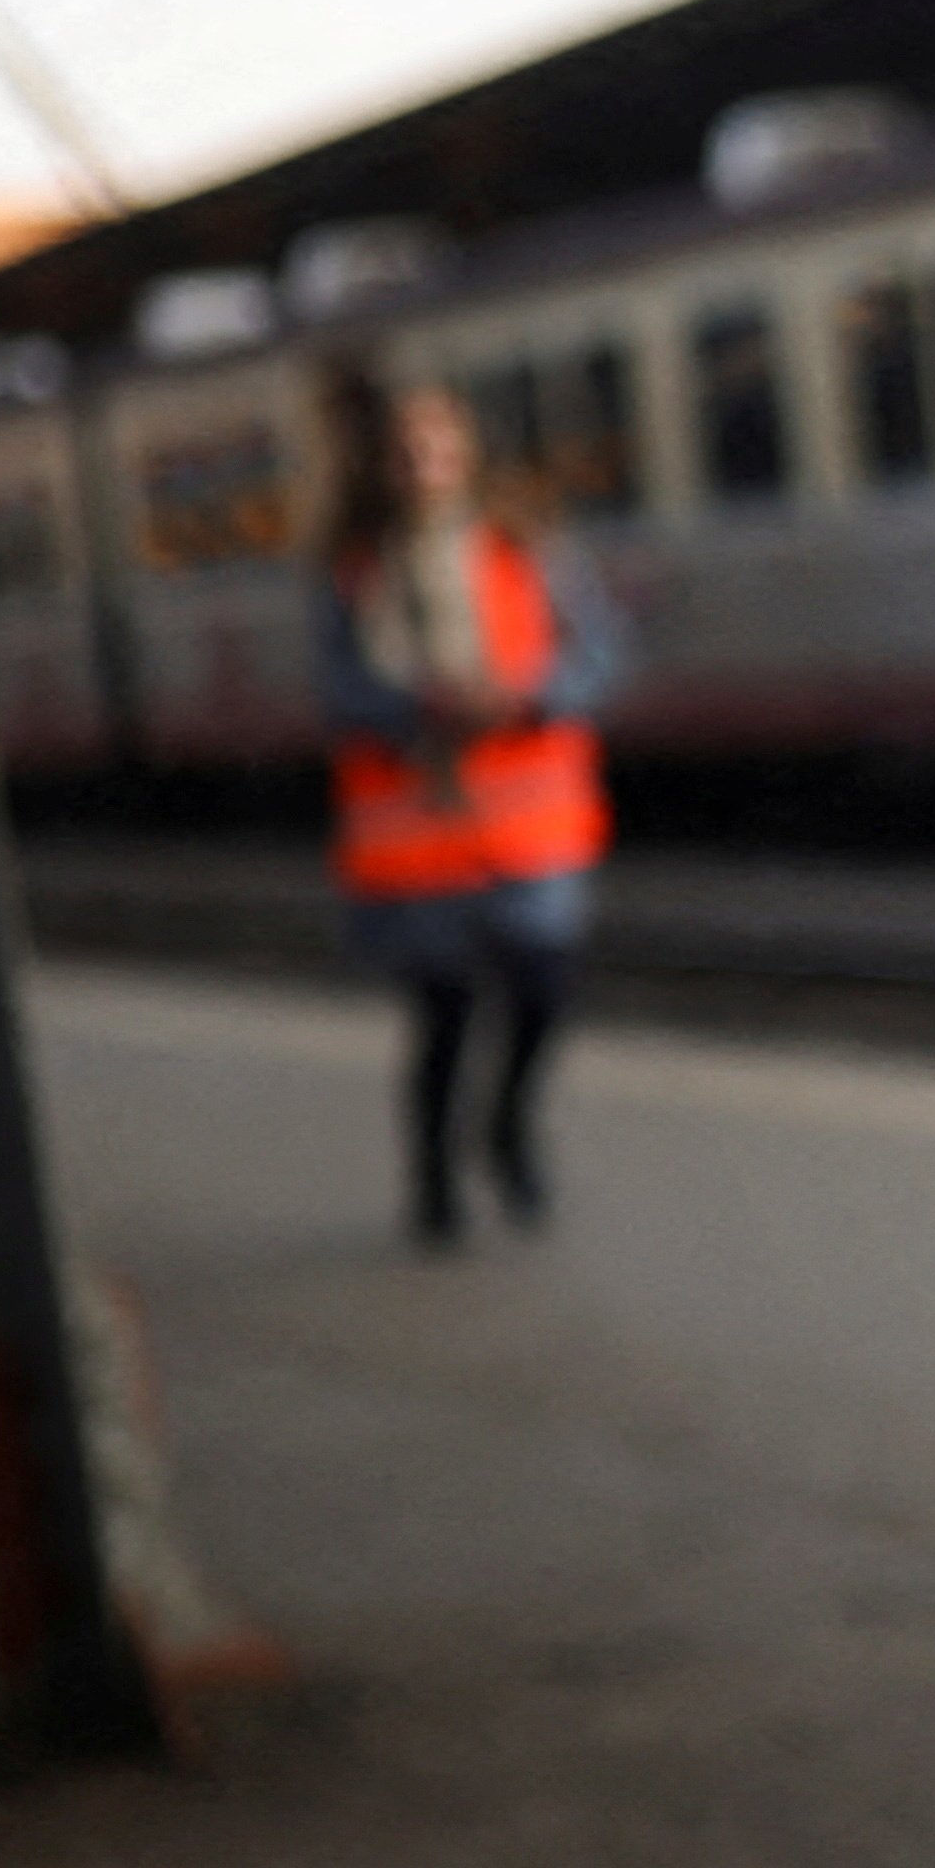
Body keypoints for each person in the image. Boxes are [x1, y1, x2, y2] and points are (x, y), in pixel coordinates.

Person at [315, 375, 623, 1248]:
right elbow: (337, 692)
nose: (422, 465)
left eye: (438, 446)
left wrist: (530, 698)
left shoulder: (528, 545)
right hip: (419, 843)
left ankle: (509, 1127)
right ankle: (433, 1180)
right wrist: (419, 710)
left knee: (544, 993)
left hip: (531, 830)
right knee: (443, 1018)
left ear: (467, 453)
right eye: (404, 451)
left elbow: (599, 652)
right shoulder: (353, 567)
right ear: (378, 466)